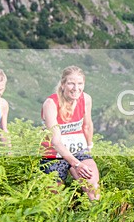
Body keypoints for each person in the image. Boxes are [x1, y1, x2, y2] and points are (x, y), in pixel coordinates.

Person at [40, 66, 100, 200]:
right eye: (71, 83)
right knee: (55, 201)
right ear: (63, 84)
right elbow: (55, 141)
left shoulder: (86, 99)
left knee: (93, 187)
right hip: (53, 154)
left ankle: (97, 219)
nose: (76, 88)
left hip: (78, 149)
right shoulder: (51, 103)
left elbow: (87, 124)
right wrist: (76, 164)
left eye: (80, 84)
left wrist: (89, 146)